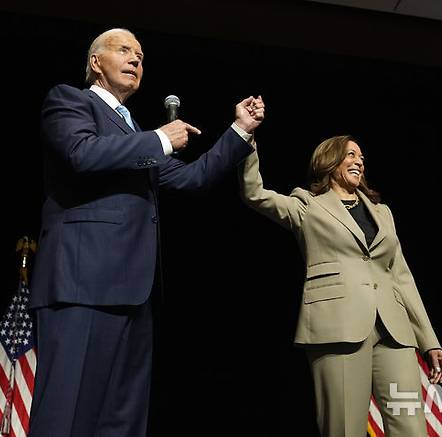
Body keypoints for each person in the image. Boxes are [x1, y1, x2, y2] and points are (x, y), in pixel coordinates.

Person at [27, 28, 265, 437]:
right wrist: (158, 138)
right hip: (81, 285)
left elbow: (192, 179)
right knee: (66, 415)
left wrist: (239, 130)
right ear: (96, 62)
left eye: (140, 55)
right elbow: (80, 154)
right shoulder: (70, 100)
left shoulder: (134, 131)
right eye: (124, 51)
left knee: (121, 420)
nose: (136, 59)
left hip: (134, 294)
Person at [239, 134, 442, 436]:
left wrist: (429, 340)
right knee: (344, 429)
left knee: (411, 427)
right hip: (338, 327)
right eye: (350, 155)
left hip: (395, 330)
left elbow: (402, 276)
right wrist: (247, 138)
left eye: (361, 157)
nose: (359, 161)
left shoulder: (382, 212)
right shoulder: (308, 207)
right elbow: (253, 193)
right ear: (329, 161)